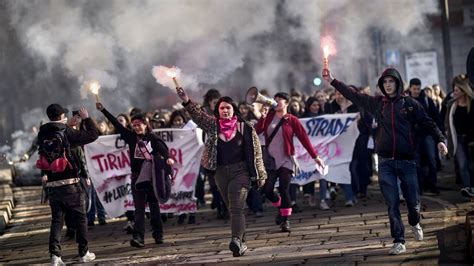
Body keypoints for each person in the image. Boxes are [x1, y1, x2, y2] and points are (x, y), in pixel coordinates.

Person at [323, 67, 447, 255]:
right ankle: (399, 240)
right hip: (386, 162)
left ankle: (415, 222)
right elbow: (353, 94)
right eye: (385, 82)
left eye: (391, 81)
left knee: (413, 203)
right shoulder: (377, 104)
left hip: (407, 162)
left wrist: (440, 140)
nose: (388, 85)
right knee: (392, 203)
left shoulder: (410, 104)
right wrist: (332, 80)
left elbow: (428, 122)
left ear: (398, 83)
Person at [176, 86, 267, 257]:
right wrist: (186, 99)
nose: (225, 110)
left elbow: (256, 152)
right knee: (232, 207)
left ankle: (235, 240)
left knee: (236, 209)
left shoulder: (245, 127)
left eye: (228, 107)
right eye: (221, 108)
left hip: (241, 173)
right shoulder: (212, 125)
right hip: (220, 173)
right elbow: (197, 115)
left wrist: (260, 174)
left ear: (234, 110)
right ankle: (242, 242)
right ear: (217, 111)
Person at [96, 102, 174, 248]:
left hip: (152, 178)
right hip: (137, 178)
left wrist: (168, 158)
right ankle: (139, 238)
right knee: (139, 209)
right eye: (134, 125)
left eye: (139, 124)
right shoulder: (131, 138)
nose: (136, 127)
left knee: (154, 207)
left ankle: (159, 235)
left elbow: (164, 150)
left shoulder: (153, 138)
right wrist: (103, 110)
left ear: (146, 124)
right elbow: (117, 125)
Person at [255, 92, 325, 232]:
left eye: (280, 100)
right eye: (275, 100)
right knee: (267, 190)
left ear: (286, 103)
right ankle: (281, 207)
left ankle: (285, 220)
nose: (276, 102)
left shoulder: (292, 120)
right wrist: (262, 118)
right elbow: (257, 131)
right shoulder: (268, 117)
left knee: (284, 188)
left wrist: (315, 156)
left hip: (287, 159)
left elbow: (304, 139)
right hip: (271, 159)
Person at [38, 104, 98, 264]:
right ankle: (83, 253)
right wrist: (86, 118)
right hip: (70, 184)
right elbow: (92, 135)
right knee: (80, 218)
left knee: (57, 220)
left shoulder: (42, 133)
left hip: (52, 185)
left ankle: (55, 256)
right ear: (62, 115)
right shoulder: (66, 131)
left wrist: (67, 125)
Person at [408, 78, 442, 195]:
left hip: (427, 134)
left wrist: (439, 134)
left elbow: (435, 116)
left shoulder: (426, 100)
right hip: (413, 136)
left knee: (432, 160)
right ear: (410, 88)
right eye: (414, 89)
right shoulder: (405, 100)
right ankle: (420, 187)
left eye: (418, 88)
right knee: (416, 163)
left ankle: (433, 185)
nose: (416, 91)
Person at [444, 77, 474, 198]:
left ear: (463, 91)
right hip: (459, 140)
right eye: (454, 90)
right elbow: (447, 121)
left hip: (472, 139)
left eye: (456, 90)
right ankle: (467, 187)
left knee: (472, 165)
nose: (454, 92)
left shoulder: (473, 103)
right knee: (462, 165)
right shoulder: (451, 105)